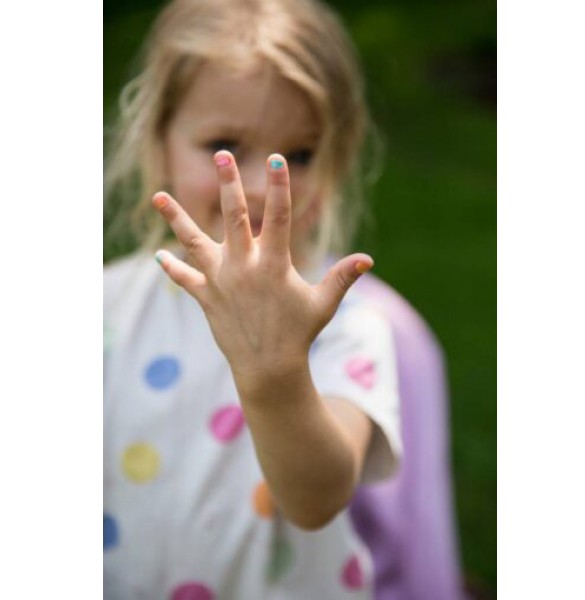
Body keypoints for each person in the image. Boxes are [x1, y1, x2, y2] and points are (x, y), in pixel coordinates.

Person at [104, 0, 402, 597]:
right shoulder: (103, 307)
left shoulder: (346, 324)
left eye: (300, 155)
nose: (262, 185)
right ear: (158, 141)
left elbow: (317, 500)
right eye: (225, 145)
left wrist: (276, 370)